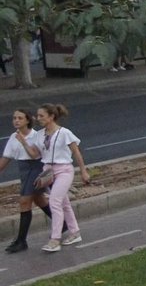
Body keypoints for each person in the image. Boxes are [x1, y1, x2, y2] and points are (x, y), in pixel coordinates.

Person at [34, 102, 87, 251]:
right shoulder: (39, 135)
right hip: (48, 171)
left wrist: (83, 171)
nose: (39, 118)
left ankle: (55, 239)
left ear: (51, 117)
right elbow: (36, 153)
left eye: (41, 116)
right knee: (64, 204)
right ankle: (75, 232)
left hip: (63, 170)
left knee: (54, 202)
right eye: (38, 116)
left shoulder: (64, 133)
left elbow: (76, 153)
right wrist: (22, 142)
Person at [0, 107, 47, 253]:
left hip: (35, 168)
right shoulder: (14, 137)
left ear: (28, 120)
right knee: (39, 199)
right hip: (24, 170)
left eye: (20, 118)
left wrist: (23, 142)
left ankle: (21, 240)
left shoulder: (36, 136)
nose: (16, 120)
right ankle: (64, 224)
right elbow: (6, 158)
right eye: (14, 118)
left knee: (24, 201)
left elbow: (35, 155)